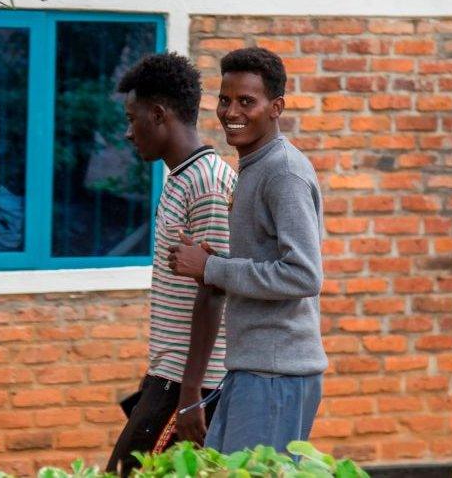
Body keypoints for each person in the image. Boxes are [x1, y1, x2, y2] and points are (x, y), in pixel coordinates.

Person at [168, 47, 326, 454]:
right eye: (225, 99)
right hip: (253, 368)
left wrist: (214, 268)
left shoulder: (284, 172)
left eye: (246, 101)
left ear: (276, 108)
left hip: (276, 374)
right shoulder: (255, 165)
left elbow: (303, 274)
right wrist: (211, 265)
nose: (231, 112)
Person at [106, 53, 236, 476]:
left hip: (187, 385)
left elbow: (214, 290)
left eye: (132, 118)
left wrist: (191, 396)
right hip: (169, 377)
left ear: (159, 114)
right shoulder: (182, 177)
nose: (128, 133)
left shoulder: (208, 183)